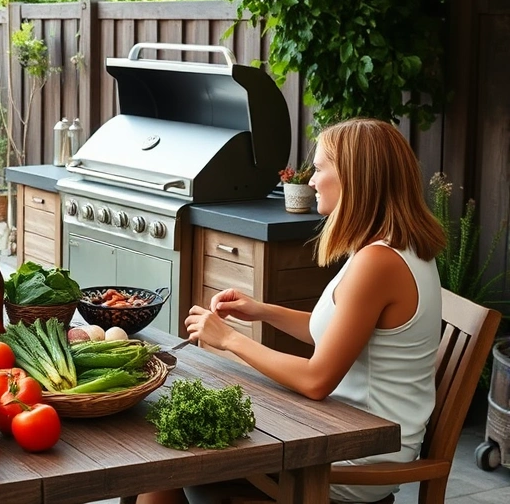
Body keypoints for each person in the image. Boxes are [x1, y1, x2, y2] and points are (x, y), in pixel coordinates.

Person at [139, 118, 446, 504]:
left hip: (357, 455)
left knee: (164, 459)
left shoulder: (378, 263)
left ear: (355, 176)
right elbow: (337, 333)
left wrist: (229, 339)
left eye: (319, 169)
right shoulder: (392, 248)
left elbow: (317, 380)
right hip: (344, 429)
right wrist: (262, 311)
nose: (311, 180)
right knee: (169, 450)